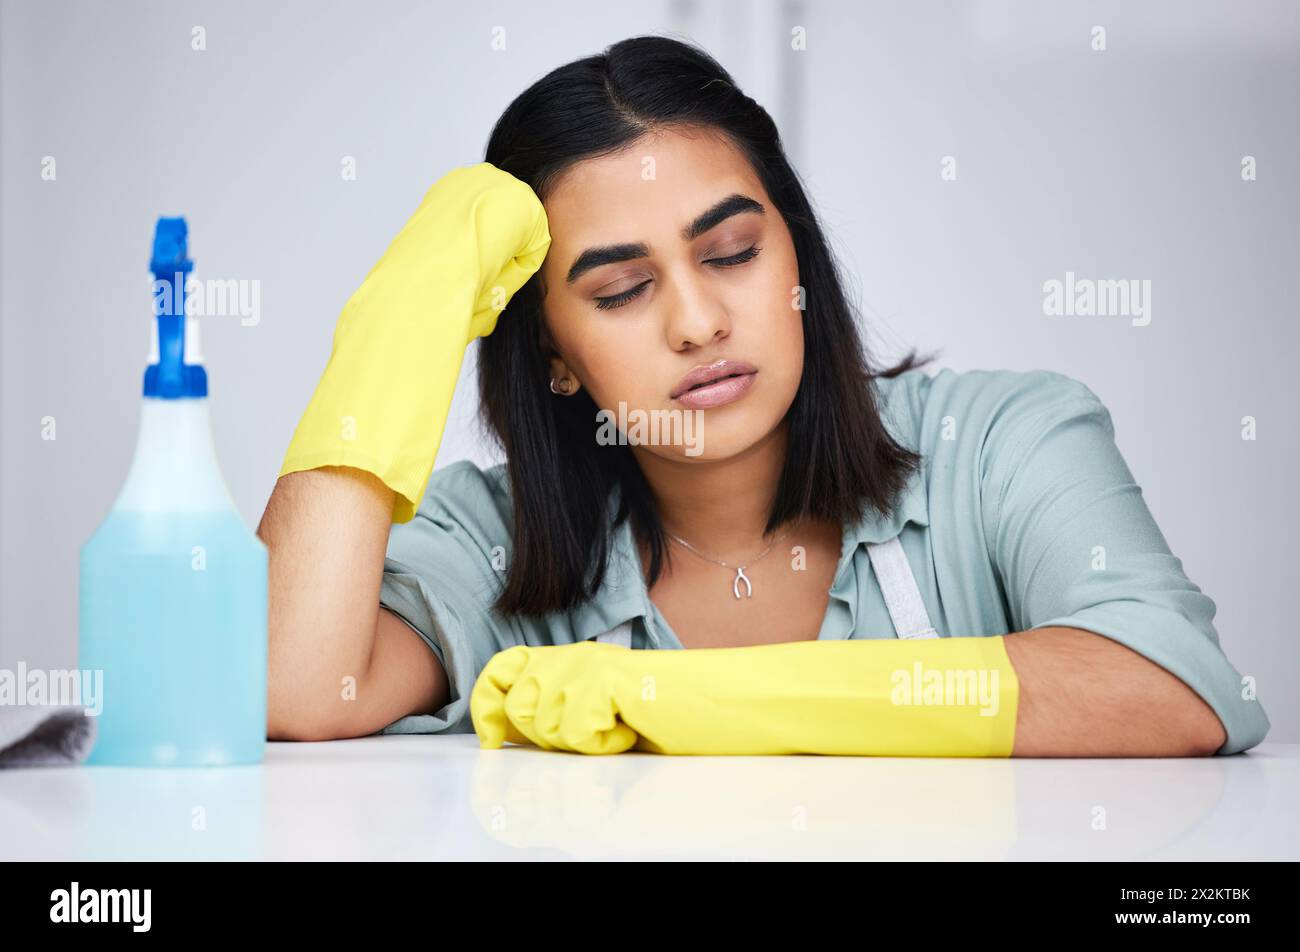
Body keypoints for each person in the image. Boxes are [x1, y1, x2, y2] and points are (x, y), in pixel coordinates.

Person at [256, 35, 1268, 756]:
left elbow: (1171, 687)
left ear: (798, 258)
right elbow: (289, 687)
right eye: (620, 289)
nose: (696, 322)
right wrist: (399, 314)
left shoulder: (1003, 440)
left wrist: (680, 699)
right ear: (553, 353)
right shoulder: (493, 537)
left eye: (732, 252)